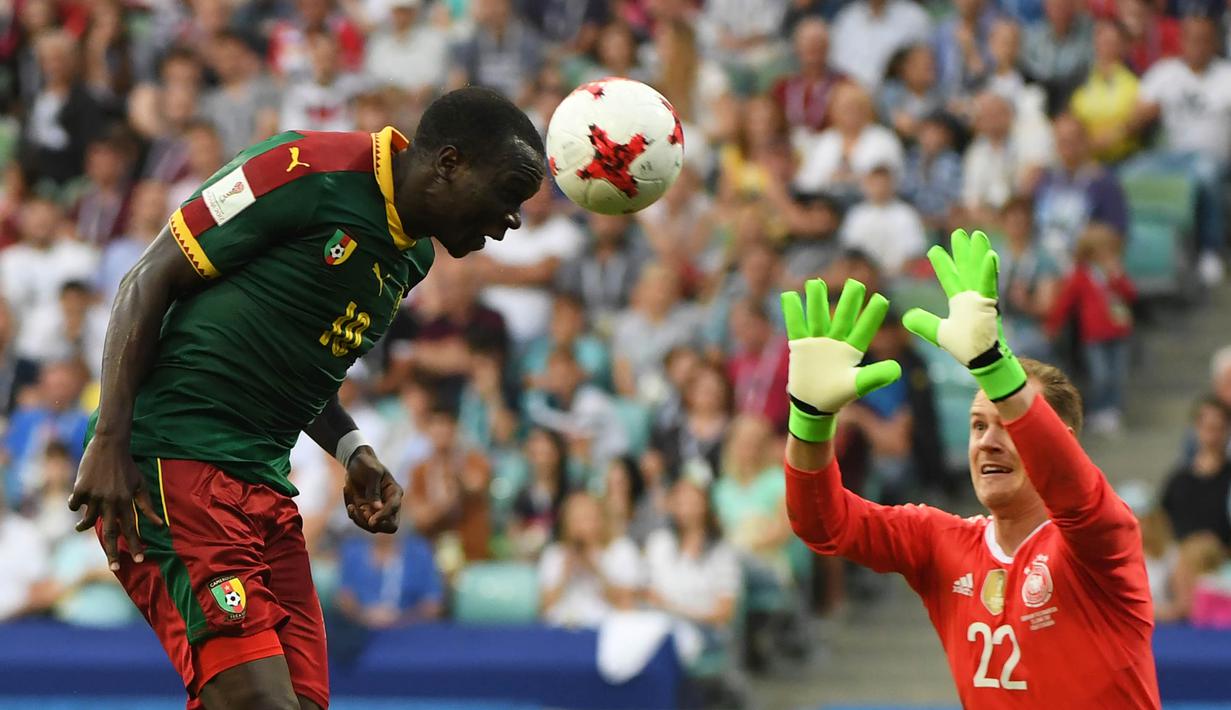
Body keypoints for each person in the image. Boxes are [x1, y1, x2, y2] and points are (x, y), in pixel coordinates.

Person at [68, 87, 547, 710]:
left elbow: (300, 368)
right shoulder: (304, 169)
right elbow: (146, 277)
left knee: (299, 702)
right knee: (258, 700)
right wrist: (109, 439)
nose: (513, 219)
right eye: (508, 193)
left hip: (261, 482)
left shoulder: (412, 257)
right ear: (450, 162)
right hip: (169, 458)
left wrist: (353, 450)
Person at [781, 230, 1159, 706]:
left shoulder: (1102, 542)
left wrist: (992, 365)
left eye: (1008, 426)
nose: (987, 442)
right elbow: (822, 524)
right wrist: (810, 422)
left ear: (1060, 439)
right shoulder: (939, 542)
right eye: (978, 425)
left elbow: (1074, 493)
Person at [538, 491, 643, 628]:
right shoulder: (554, 554)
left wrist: (595, 569)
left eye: (585, 518)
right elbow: (544, 608)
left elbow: (626, 604)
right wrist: (565, 573)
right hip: (563, 628)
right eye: (574, 519)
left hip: (605, 629)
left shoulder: (620, 550)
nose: (580, 526)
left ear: (600, 519)